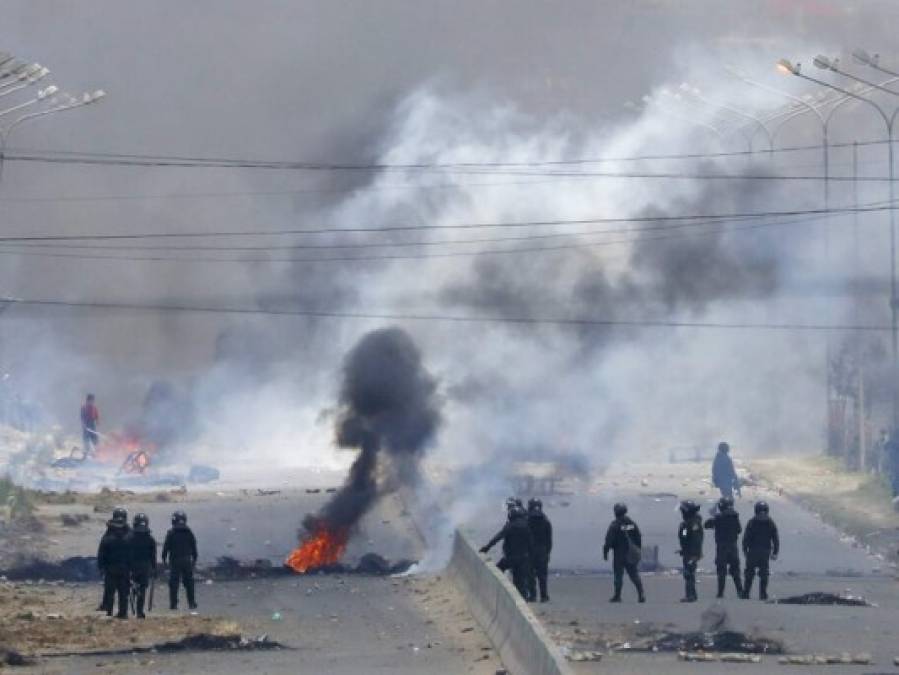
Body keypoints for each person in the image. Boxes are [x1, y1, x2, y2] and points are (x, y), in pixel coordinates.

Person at [480, 504, 534, 600]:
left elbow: (498, 537)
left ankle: (493, 590)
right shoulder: (527, 527)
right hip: (523, 558)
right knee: (519, 581)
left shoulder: (510, 526)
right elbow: (530, 543)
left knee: (497, 570)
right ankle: (523, 598)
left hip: (510, 558)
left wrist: (487, 547)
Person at [603, 503, 645, 603]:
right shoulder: (631, 524)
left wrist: (605, 552)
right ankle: (641, 594)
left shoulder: (615, 525)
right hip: (630, 553)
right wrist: (638, 549)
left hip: (619, 554)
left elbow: (609, 540)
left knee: (618, 576)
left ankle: (617, 596)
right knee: (634, 575)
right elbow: (638, 537)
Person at [704, 496, 744, 599]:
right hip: (733, 546)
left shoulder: (718, 517)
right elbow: (739, 530)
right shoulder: (735, 517)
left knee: (721, 571)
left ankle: (720, 592)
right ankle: (740, 591)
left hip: (722, 547)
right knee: (735, 570)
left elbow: (706, 525)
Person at [97, 507, 131, 619]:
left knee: (111, 591)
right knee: (123, 592)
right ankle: (122, 613)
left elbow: (101, 552)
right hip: (123, 568)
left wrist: (101, 567)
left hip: (111, 568)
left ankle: (110, 612)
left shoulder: (108, 534)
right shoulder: (129, 533)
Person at [742, 501, 779, 600]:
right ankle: (763, 594)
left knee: (749, 573)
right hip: (765, 552)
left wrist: (745, 550)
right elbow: (775, 538)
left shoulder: (752, 522)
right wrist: (775, 552)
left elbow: (746, 537)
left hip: (753, 551)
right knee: (764, 573)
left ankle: (746, 593)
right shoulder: (770, 522)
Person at [162, 510, 198, 610]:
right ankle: (191, 602)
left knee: (174, 583)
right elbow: (194, 546)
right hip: (186, 560)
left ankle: (173, 604)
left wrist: (164, 559)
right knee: (189, 582)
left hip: (175, 561)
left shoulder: (171, 533)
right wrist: (194, 559)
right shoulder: (189, 532)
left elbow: (166, 547)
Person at [129, 513, 157, 618]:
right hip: (145, 567)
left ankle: (134, 590)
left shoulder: (129, 538)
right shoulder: (150, 539)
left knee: (133, 585)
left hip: (132, 566)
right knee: (143, 589)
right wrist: (154, 569)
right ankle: (140, 611)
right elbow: (153, 556)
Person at [526, 498, 553, 603]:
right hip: (542, 551)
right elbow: (549, 540)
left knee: (530, 575)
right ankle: (544, 596)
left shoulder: (527, 520)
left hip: (530, 551)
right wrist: (547, 553)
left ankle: (532, 596)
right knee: (542, 575)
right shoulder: (546, 521)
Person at [677, 500, 704, 603]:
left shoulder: (692, 524)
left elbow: (695, 540)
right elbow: (685, 537)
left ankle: (690, 595)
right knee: (689, 573)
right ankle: (692, 594)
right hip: (689, 552)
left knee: (688, 573)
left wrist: (694, 554)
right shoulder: (689, 523)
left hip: (691, 554)